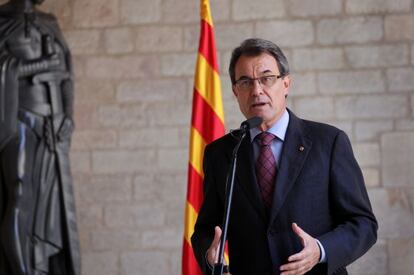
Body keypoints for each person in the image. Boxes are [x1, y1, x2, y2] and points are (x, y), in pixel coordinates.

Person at [191, 38, 378, 275]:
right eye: (246, 82)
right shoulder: (221, 153)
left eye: (267, 78)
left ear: (286, 83)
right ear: (235, 91)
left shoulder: (328, 142)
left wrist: (320, 250)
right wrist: (210, 256)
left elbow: (363, 224)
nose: (257, 90)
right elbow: (206, 229)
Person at [0, 0, 80, 274]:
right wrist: (38, 66)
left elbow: (66, 76)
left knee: (48, 203)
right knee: (19, 193)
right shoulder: (1, 21)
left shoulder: (49, 22)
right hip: (15, 121)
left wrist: (68, 116)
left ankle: (41, 266)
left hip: (51, 124)